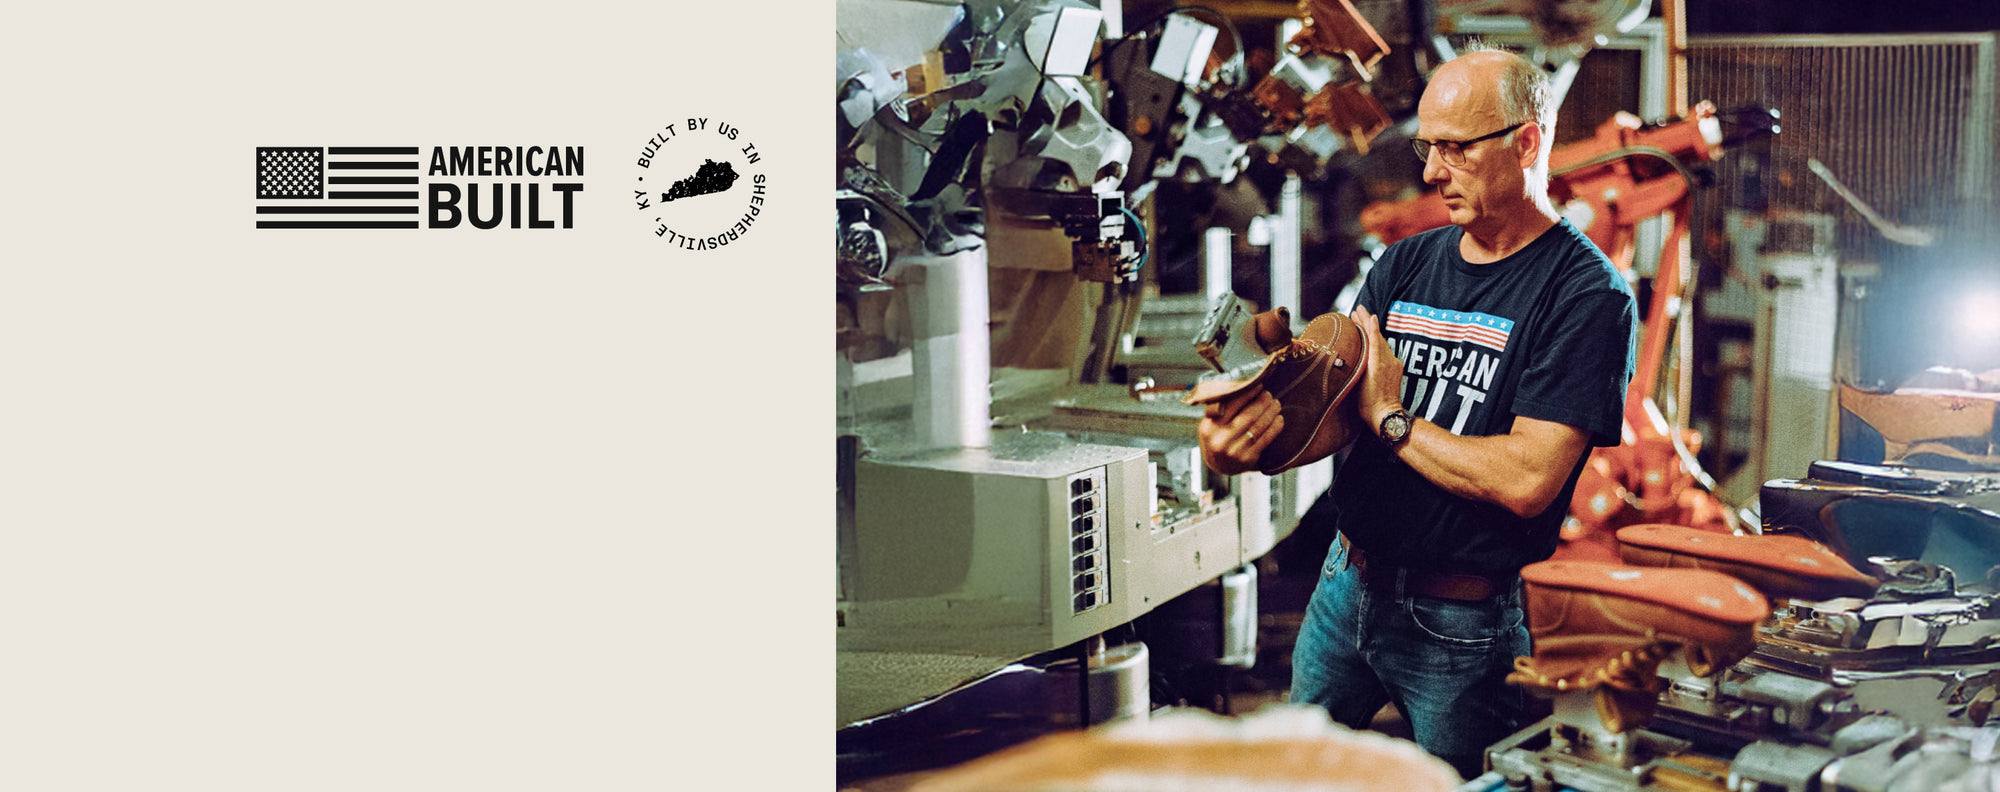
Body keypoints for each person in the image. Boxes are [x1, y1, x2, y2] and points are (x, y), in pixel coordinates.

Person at [1197, 47, 1638, 779]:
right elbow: (1339, 413)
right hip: (1346, 586)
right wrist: (1246, 441)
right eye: (1428, 147)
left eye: (1455, 148)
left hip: (1461, 626)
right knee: (1294, 776)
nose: (1432, 172)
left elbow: (1527, 478)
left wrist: (1394, 419)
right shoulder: (1406, 263)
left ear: (1527, 143)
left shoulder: (1586, 296)